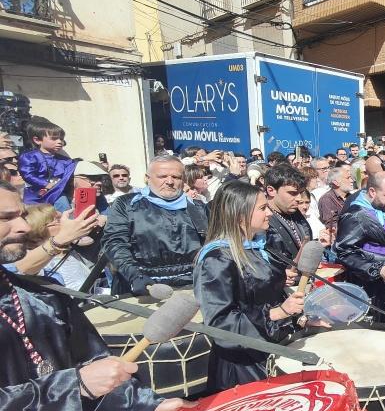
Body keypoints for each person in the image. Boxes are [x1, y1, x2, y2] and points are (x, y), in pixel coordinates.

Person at [0, 181, 188, 411]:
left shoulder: (40, 293)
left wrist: (145, 403)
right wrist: (71, 387)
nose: (23, 227)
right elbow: (80, 381)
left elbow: (91, 360)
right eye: (6, 218)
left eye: (22, 215)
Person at [193, 182, 304, 392]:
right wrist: (278, 313)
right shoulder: (216, 259)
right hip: (242, 366)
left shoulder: (257, 247)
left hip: (269, 348)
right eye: (262, 208)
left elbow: (264, 294)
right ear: (239, 216)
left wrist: (300, 318)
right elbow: (220, 324)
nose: (269, 213)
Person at [101, 155, 208, 295]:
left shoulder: (198, 207)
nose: (169, 182)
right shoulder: (126, 204)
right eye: (162, 176)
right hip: (144, 287)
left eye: (176, 177)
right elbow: (114, 242)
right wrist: (134, 275)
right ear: (147, 178)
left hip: (191, 287)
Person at [334, 172, 385, 320]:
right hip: (372, 287)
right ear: (372, 192)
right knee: (382, 328)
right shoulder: (355, 216)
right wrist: (378, 269)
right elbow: (344, 253)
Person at [20, 204, 97, 290]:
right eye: (56, 221)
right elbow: (22, 269)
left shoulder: (67, 246)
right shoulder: (40, 261)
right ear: (38, 231)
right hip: (75, 297)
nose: (61, 223)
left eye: (59, 219)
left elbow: (89, 240)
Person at [263, 164, 313, 269]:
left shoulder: (294, 212)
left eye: (300, 193)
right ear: (271, 190)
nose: (299, 198)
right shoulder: (260, 219)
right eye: (293, 193)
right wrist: (282, 274)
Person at [17, 116, 74, 206]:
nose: (60, 142)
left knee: (63, 205)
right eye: (54, 138)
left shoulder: (65, 161)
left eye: (61, 139)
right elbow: (28, 174)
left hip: (57, 193)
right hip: (35, 195)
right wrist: (45, 184)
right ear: (37, 140)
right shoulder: (30, 157)